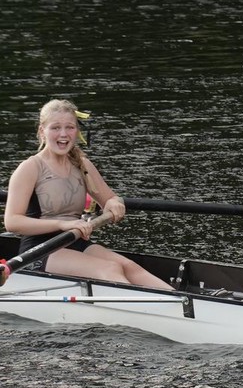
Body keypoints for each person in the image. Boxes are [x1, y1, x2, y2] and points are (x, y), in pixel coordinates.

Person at [3, 99, 173, 291]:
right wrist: (62, 224)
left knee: (129, 267)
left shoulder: (82, 165)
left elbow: (110, 198)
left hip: (76, 240)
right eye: (56, 128)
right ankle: (144, 307)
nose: (63, 134)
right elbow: (12, 222)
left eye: (70, 127)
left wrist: (114, 203)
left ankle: (179, 300)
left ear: (77, 131)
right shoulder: (30, 168)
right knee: (109, 269)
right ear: (42, 131)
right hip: (40, 250)